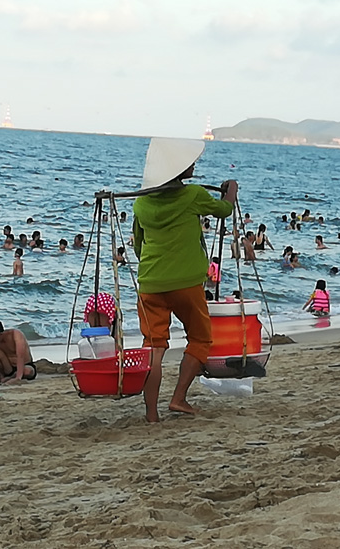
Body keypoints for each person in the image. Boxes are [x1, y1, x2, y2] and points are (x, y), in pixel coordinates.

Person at [133, 137, 236, 422]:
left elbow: (138, 246)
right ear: (178, 170)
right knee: (201, 338)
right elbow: (224, 211)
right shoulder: (192, 195)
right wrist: (231, 192)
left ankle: (151, 413)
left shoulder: (141, 203)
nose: (193, 165)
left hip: (150, 284)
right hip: (187, 283)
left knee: (153, 346)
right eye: (189, 163)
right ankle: (178, 398)